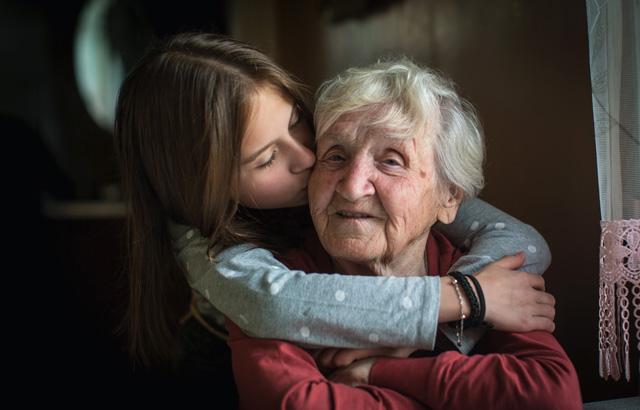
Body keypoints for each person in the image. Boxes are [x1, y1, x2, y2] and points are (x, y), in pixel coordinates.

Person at [113, 32, 555, 399]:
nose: (309, 157)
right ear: (204, 189)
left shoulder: (417, 209)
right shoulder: (220, 256)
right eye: (266, 159)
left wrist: (455, 318)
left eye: (295, 123)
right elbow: (275, 305)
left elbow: (521, 241)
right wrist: (464, 300)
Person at [226, 58, 582, 409]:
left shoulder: (481, 273)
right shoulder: (276, 286)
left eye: (391, 161)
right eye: (335, 156)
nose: (351, 187)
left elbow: (551, 395)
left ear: (449, 197)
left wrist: (380, 371)